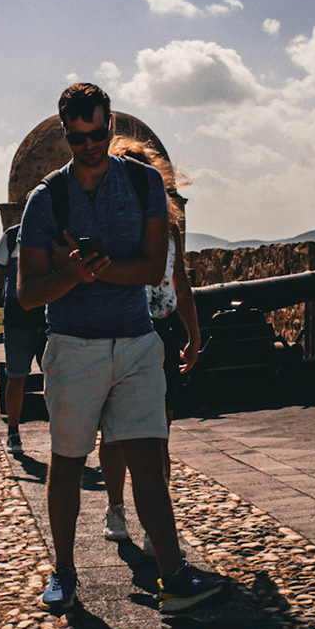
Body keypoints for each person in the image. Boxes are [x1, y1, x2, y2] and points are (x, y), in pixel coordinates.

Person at [16, 83, 233, 614]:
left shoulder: (143, 184)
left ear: (110, 124)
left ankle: (173, 576)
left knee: (148, 462)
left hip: (135, 342)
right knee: (67, 462)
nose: (87, 144)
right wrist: (72, 275)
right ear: (65, 132)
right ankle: (64, 573)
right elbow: (27, 294)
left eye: (95, 133)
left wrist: (94, 271)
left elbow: (153, 267)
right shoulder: (46, 200)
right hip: (72, 345)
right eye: (76, 136)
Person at [99, 141, 200, 548]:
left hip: (162, 332)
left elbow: (181, 284)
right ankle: (116, 506)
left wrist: (193, 335)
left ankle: (157, 511)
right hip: (122, 332)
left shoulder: (169, 229)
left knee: (160, 433)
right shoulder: (110, 225)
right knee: (115, 434)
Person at [0, 219, 47, 453]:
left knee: (57, 378)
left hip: (51, 317)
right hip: (18, 317)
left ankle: (61, 430)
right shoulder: (12, 237)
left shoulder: (59, 233)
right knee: (16, 375)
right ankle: (13, 431)